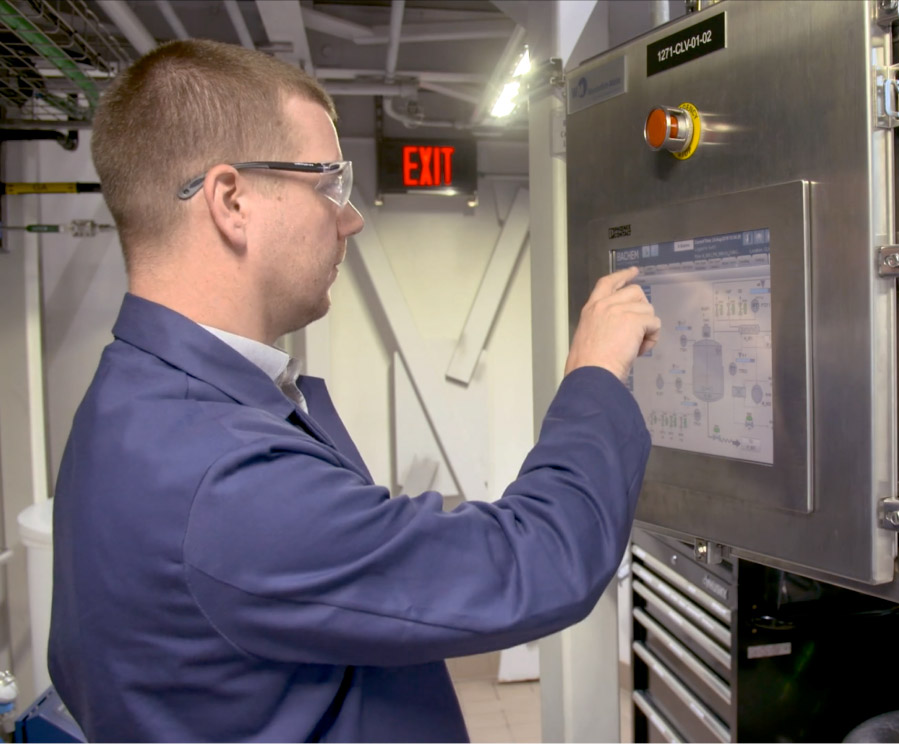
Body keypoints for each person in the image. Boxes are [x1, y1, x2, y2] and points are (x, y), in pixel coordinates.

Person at [48, 39, 660, 742]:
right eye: (327, 184)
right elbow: (537, 562)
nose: (351, 218)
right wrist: (593, 375)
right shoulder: (218, 478)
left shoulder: (130, 401)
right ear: (231, 200)